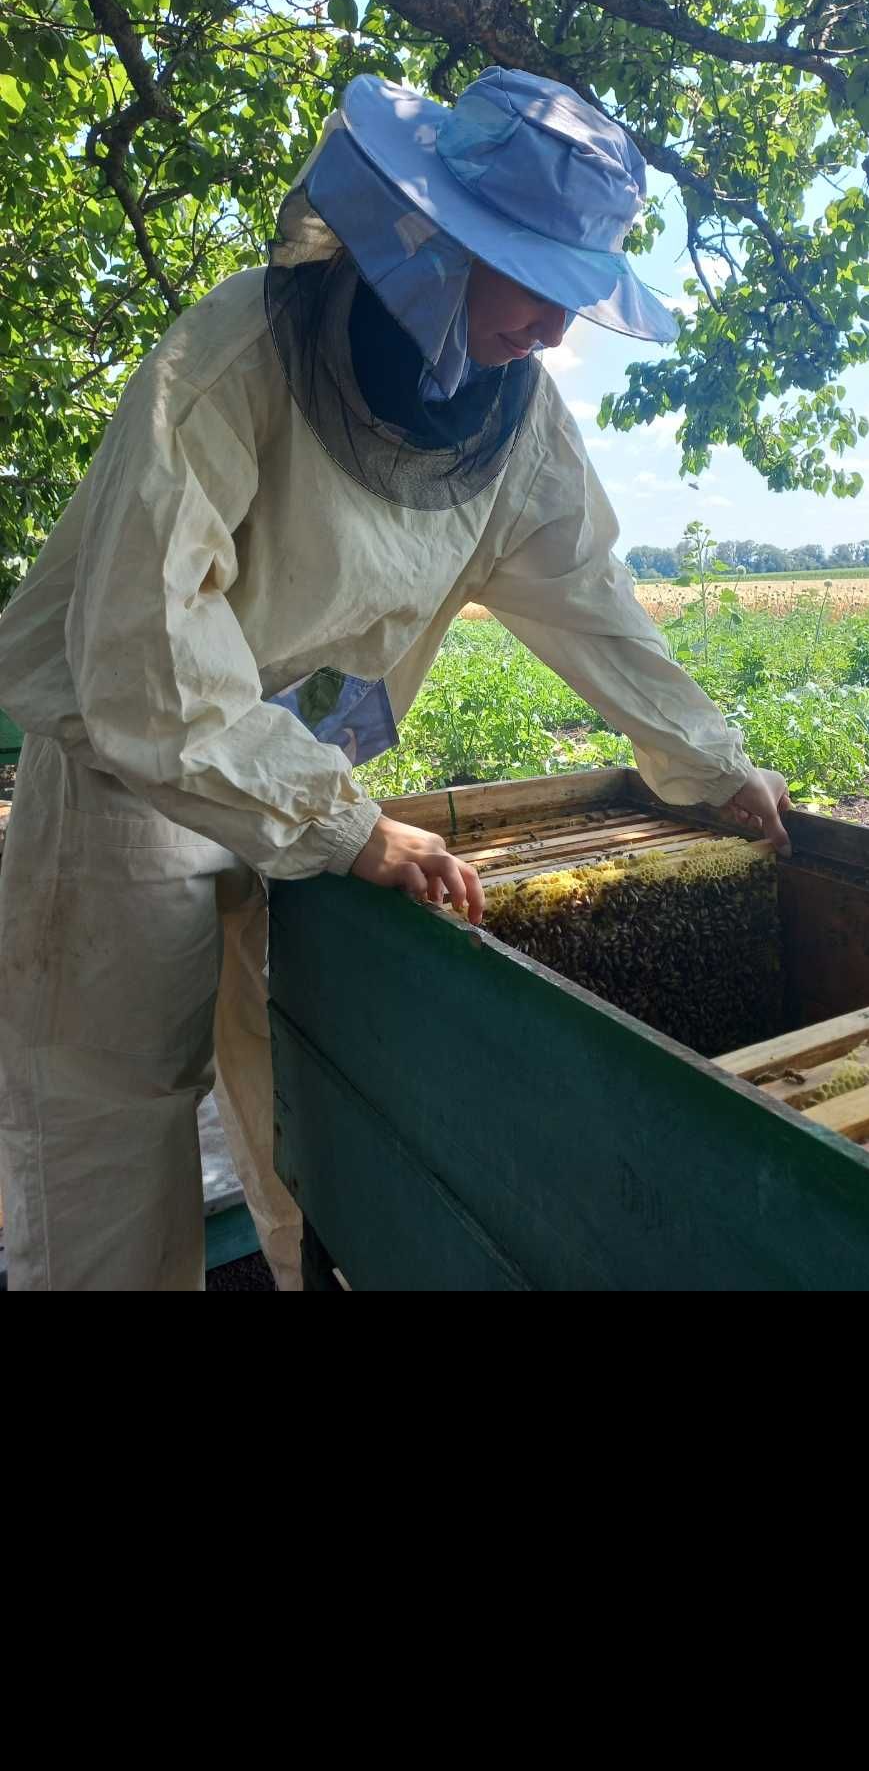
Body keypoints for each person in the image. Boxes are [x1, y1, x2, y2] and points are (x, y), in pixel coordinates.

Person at [0, 67, 791, 1292]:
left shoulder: (518, 425)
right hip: (126, 784)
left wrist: (711, 764)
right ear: (436, 243)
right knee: (110, 1109)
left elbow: (589, 598)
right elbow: (145, 651)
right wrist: (344, 822)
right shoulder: (237, 353)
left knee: (304, 1083)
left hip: (309, 782)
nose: (559, 332)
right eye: (539, 283)